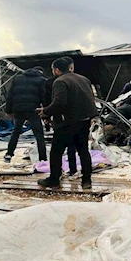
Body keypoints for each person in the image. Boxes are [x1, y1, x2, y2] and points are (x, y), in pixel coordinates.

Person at [39, 57, 98, 189]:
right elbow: (90, 99)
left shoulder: (60, 81)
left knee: (56, 152)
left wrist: (46, 112)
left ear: (57, 70)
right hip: (84, 120)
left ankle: (54, 180)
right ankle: (87, 181)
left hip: (67, 122)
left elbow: (59, 103)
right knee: (83, 151)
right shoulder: (84, 79)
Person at [4, 67, 47, 164]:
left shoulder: (17, 79)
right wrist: (46, 113)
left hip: (18, 109)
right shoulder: (41, 80)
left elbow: (10, 95)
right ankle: (43, 158)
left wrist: (8, 110)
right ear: (40, 72)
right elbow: (44, 97)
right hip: (33, 110)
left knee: (16, 131)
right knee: (39, 135)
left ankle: (9, 154)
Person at [44, 57, 78, 176]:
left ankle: (56, 175)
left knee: (57, 149)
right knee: (73, 146)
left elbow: (50, 101)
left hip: (59, 118)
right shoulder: (77, 80)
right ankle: (74, 170)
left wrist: (46, 114)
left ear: (56, 70)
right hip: (74, 118)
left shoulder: (52, 82)